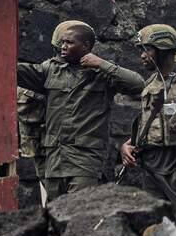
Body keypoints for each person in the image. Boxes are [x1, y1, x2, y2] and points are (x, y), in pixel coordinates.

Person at [17, 22, 145, 201]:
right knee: (55, 216)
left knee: (80, 213)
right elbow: (13, 70)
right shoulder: (50, 70)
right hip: (54, 160)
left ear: (85, 46)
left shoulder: (101, 75)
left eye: (69, 42)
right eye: (62, 42)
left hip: (84, 161)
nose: (63, 46)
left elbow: (138, 84)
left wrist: (101, 64)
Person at [118, 24, 176, 224]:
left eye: (147, 49)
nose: (142, 56)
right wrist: (126, 145)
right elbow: (147, 124)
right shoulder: (151, 83)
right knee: (158, 227)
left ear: (163, 49)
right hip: (151, 167)